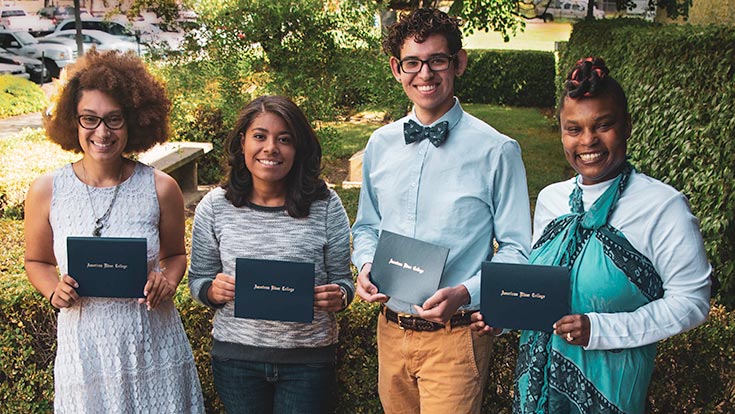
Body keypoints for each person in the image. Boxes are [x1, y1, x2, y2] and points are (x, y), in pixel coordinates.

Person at [471, 57, 712, 414]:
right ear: (562, 132)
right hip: (536, 390)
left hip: (612, 389)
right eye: (574, 129)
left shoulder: (662, 206)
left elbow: (692, 301)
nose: (588, 141)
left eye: (604, 125)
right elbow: (542, 290)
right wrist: (504, 316)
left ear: (627, 126)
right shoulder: (553, 199)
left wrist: (600, 329)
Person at [351, 8, 532, 414]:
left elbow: (519, 248)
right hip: (392, 330)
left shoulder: (497, 150)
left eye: (437, 60)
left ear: (459, 63)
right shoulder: (379, 144)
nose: (425, 74)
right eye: (413, 63)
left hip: (456, 335)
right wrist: (364, 265)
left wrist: (468, 291)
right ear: (397, 68)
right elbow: (366, 226)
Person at [24, 49, 204, 413]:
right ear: (73, 122)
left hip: (153, 343)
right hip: (86, 349)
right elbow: (36, 260)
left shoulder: (160, 187)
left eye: (114, 120)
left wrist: (167, 279)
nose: (101, 132)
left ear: (133, 122)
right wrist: (52, 290)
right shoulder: (46, 190)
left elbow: (174, 256)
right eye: (89, 119)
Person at [187, 95, 354, 414]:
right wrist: (211, 290)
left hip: (308, 362)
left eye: (284, 139)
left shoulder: (325, 205)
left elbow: (344, 283)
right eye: (260, 136)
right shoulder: (215, 206)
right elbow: (198, 280)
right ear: (243, 142)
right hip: (237, 361)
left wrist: (340, 296)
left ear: (298, 148)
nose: (271, 148)